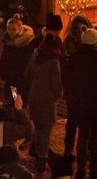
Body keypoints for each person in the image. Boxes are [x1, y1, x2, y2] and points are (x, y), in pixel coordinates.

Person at [63, 27, 97, 179]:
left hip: (80, 103)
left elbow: (68, 81)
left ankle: (80, 170)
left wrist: (72, 99)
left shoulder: (74, 58)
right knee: (96, 139)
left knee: (82, 136)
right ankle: (93, 170)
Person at [25, 32, 63, 172]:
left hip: (34, 97)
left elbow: (27, 74)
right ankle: (42, 158)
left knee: (38, 125)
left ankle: (34, 149)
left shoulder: (35, 55)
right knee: (46, 130)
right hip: (47, 101)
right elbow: (57, 85)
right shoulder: (54, 62)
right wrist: (57, 97)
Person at [0, 15, 36, 97]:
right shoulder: (8, 42)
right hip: (10, 79)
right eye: (8, 29)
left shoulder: (27, 43)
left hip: (20, 80)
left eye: (13, 29)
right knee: (10, 100)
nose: (10, 32)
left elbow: (27, 62)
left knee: (17, 101)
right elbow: (4, 59)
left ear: (20, 29)